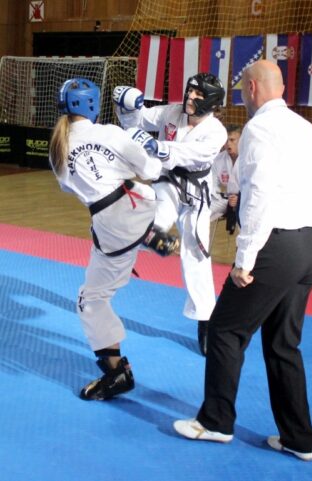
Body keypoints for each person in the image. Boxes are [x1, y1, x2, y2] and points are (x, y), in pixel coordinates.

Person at [173, 60, 312, 461]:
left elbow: (259, 195)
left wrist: (245, 258)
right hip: (307, 245)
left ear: (251, 88)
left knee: (225, 330)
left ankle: (215, 422)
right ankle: (299, 438)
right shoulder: (305, 127)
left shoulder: (258, 130)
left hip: (274, 246)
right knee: (283, 344)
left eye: (242, 89)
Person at [49, 78, 178, 401]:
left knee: (90, 300)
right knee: (159, 186)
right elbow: (151, 170)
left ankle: (116, 372)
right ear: (92, 104)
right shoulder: (110, 133)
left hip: (110, 225)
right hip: (136, 205)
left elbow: (68, 187)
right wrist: (143, 143)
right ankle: (148, 232)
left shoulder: (57, 148)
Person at [113, 73, 227, 356]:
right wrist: (128, 106)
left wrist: (158, 147)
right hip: (167, 181)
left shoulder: (216, 132)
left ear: (212, 102)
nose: (190, 98)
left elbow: (191, 155)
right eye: (190, 91)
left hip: (198, 192)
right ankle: (131, 239)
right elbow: (139, 121)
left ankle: (205, 319)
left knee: (196, 254)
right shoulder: (172, 112)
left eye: (198, 95)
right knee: (157, 223)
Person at [210, 125, 242, 235]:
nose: (228, 144)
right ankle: (198, 242)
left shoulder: (248, 158)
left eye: (232, 140)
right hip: (226, 200)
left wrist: (240, 198)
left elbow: (254, 186)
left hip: (246, 200)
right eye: (226, 141)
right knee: (202, 211)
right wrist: (226, 199)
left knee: (245, 222)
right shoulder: (218, 159)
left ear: (241, 140)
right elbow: (213, 185)